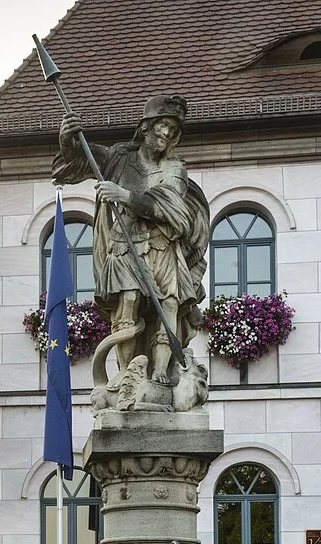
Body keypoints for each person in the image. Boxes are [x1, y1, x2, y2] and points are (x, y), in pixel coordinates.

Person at [54, 96, 212, 397]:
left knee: (169, 304)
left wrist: (124, 195)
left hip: (163, 246)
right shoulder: (119, 157)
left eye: (171, 130)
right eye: (161, 127)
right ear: (145, 128)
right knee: (127, 302)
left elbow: (172, 207)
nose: (165, 134)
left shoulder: (174, 167)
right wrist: (67, 140)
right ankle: (128, 375)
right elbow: (79, 161)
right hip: (123, 244)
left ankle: (160, 373)